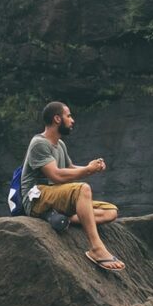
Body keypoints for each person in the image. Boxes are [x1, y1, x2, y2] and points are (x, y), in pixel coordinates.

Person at [21, 101, 125, 271]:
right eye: (68, 116)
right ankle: (96, 249)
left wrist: (91, 168)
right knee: (82, 189)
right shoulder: (39, 143)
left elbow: (69, 168)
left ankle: (61, 218)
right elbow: (55, 174)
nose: (72, 120)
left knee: (110, 211)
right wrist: (87, 171)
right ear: (57, 119)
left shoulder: (60, 144)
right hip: (37, 197)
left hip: (54, 195)